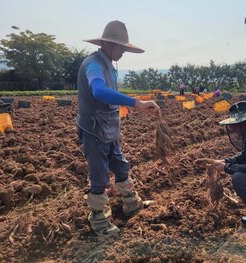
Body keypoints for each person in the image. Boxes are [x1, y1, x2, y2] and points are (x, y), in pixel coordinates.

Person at [76, 20, 160, 237]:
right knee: (99, 176)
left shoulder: (110, 66)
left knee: (121, 167)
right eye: (121, 47)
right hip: (95, 131)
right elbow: (99, 92)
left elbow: (109, 98)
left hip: (110, 130)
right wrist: (136, 103)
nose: (123, 52)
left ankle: (131, 204)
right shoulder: (93, 64)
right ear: (107, 44)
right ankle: (99, 220)